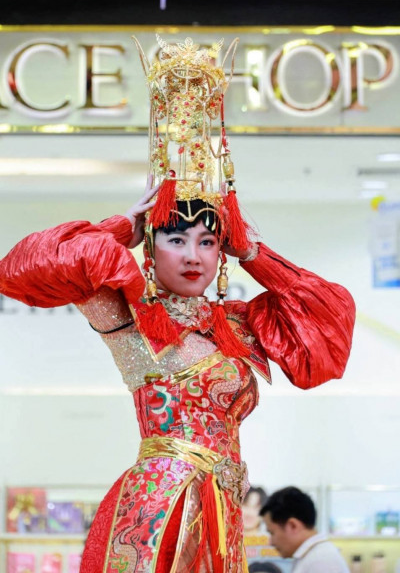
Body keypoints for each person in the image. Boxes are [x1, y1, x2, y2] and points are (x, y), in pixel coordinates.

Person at [0, 35, 356, 573]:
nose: (193, 255)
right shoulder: (127, 312)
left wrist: (254, 254)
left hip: (224, 515)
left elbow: (328, 326)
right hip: (159, 511)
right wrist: (121, 226)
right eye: (175, 238)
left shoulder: (237, 323)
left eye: (208, 241)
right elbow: (29, 267)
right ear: (151, 247)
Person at [261, 487, 350, 573]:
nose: (271, 543)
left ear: (293, 526)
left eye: (272, 533)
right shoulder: (312, 556)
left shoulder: (321, 561)